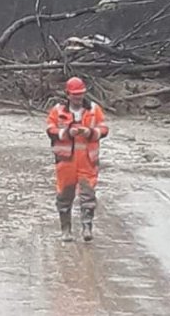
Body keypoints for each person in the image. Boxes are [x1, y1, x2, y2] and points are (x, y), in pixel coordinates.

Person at [46, 77, 109, 242]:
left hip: (88, 160)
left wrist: (90, 132)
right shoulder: (58, 110)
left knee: (88, 194)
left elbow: (104, 129)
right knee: (64, 195)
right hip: (66, 161)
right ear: (67, 94)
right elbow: (50, 130)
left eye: (80, 94)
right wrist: (66, 133)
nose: (78, 98)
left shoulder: (94, 109)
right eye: (75, 95)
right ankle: (65, 230)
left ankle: (87, 228)